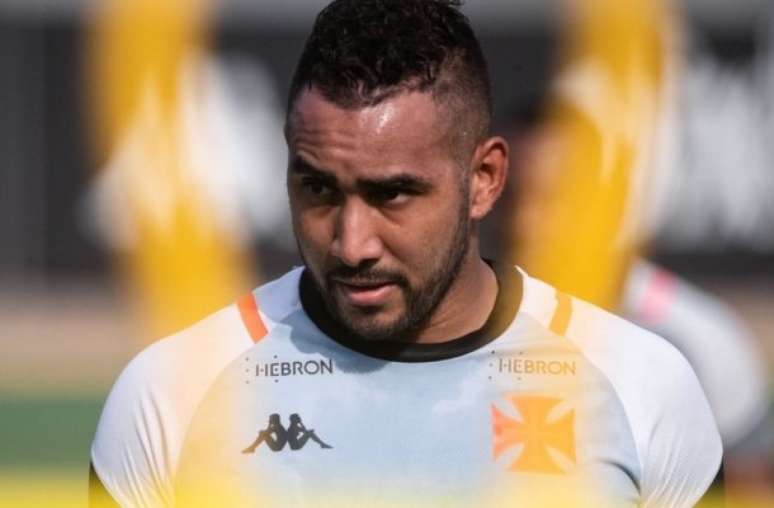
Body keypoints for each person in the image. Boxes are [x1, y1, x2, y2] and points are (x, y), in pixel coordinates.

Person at [89, 1, 722, 506]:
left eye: (392, 194)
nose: (351, 244)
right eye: (318, 188)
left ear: (485, 179)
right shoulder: (171, 393)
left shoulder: (642, 388)